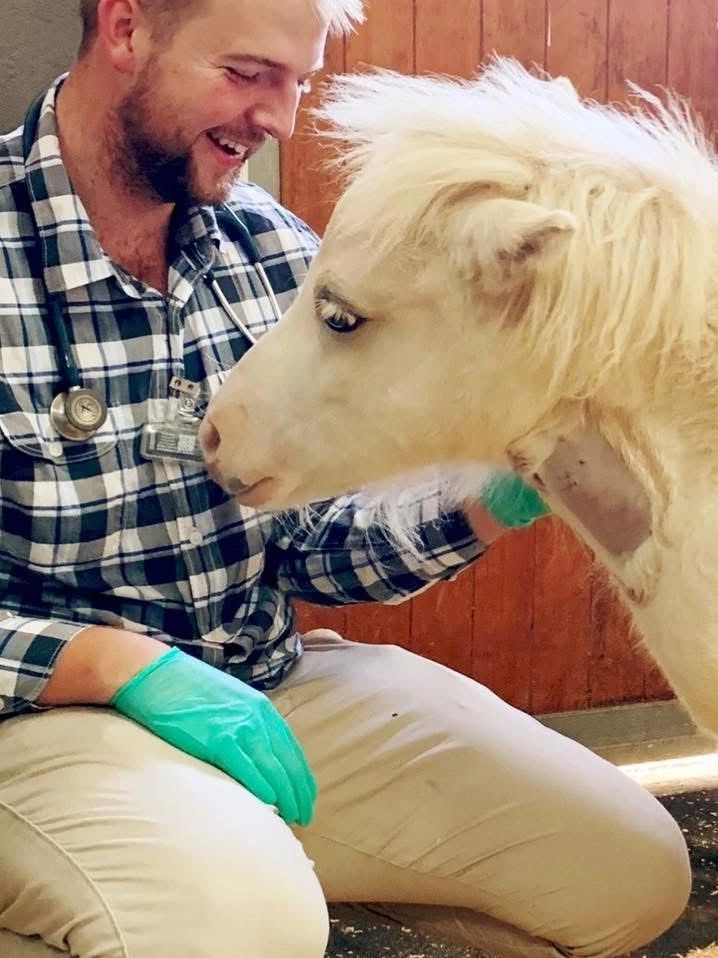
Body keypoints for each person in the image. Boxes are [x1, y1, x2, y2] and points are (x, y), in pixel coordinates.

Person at [0, 1, 691, 956]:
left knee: (630, 876)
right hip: (41, 725)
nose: (280, 119)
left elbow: (318, 554)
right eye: (247, 75)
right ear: (125, 29)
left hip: (263, 688)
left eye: (299, 82)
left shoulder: (264, 245)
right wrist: (109, 664)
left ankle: (240, 871)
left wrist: (495, 497)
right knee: (234, 931)